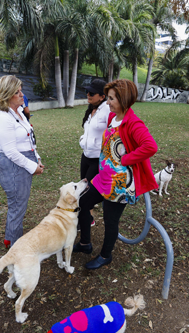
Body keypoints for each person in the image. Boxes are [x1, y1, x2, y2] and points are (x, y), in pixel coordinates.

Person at [73, 79, 158, 270]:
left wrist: (127, 159)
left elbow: (151, 146)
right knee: (83, 202)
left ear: (123, 99)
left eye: (111, 98)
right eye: (108, 98)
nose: (108, 102)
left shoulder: (133, 122)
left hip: (120, 183)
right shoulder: (113, 117)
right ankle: (86, 243)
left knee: (111, 220)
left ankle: (105, 255)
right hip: (104, 177)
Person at [0, 75, 45, 249]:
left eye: (21, 90)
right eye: (17, 92)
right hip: (15, 165)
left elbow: (29, 139)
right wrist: (32, 166)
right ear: (6, 95)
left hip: (25, 161)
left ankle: (10, 238)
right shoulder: (3, 117)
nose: (22, 94)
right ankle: (16, 249)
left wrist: (36, 159)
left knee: (18, 205)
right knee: (17, 208)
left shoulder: (19, 112)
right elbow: (10, 152)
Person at [79, 79, 111, 227]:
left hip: (98, 159)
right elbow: (88, 131)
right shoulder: (92, 108)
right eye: (87, 92)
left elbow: (113, 132)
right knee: (83, 188)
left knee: (87, 191)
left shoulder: (107, 110)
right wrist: (82, 140)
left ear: (102, 96)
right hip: (85, 156)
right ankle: (89, 218)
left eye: (92, 93)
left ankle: (85, 220)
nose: (88, 95)